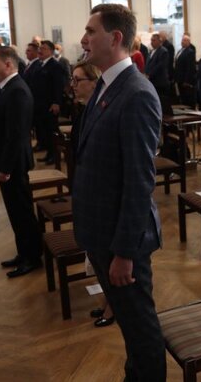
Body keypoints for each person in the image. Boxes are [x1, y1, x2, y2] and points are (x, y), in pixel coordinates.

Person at [73, 3, 166, 381]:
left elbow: (139, 180)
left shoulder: (137, 93)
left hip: (121, 240)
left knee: (140, 327)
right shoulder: (107, 86)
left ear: (114, 38)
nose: (83, 38)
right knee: (129, 323)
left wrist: (125, 252)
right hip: (102, 230)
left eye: (90, 31)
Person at [0, 46, 42, 278]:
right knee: (15, 211)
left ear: (8, 64)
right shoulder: (6, 88)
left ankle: (32, 257)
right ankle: (23, 252)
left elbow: (16, 134)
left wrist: (5, 167)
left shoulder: (17, 90)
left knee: (22, 211)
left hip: (14, 164)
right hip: (7, 162)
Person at [69, 61, 115, 329]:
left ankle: (113, 305)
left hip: (101, 197)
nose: (73, 86)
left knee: (106, 256)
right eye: (72, 81)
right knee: (96, 256)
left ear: (94, 81)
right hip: (86, 191)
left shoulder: (101, 109)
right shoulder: (84, 110)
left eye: (78, 81)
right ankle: (109, 299)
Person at [29, 40, 66, 164]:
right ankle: (49, 153)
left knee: (51, 131)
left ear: (50, 51)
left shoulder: (55, 65)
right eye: (40, 48)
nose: (40, 50)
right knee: (44, 130)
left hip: (50, 104)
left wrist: (56, 102)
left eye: (43, 48)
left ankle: (54, 155)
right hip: (40, 104)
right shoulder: (40, 65)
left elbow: (58, 86)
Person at [144, 32, 171, 107]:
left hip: (160, 82)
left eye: (154, 40)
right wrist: (145, 73)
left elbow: (160, 66)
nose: (152, 42)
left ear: (160, 41)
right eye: (151, 40)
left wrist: (149, 74)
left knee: (161, 103)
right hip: (152, 81)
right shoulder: (151, 51)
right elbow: (148, 64)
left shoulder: (163, 51)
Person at [173, 34, 196, 106]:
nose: (182, 42)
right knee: (181, 96)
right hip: (178, 78)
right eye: (182, 40)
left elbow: (190, 67)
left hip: (184, 79)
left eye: (185, 40)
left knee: (186, 97)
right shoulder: (180, 50)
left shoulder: (190, 52)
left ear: (189, 42)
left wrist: (186, 81)